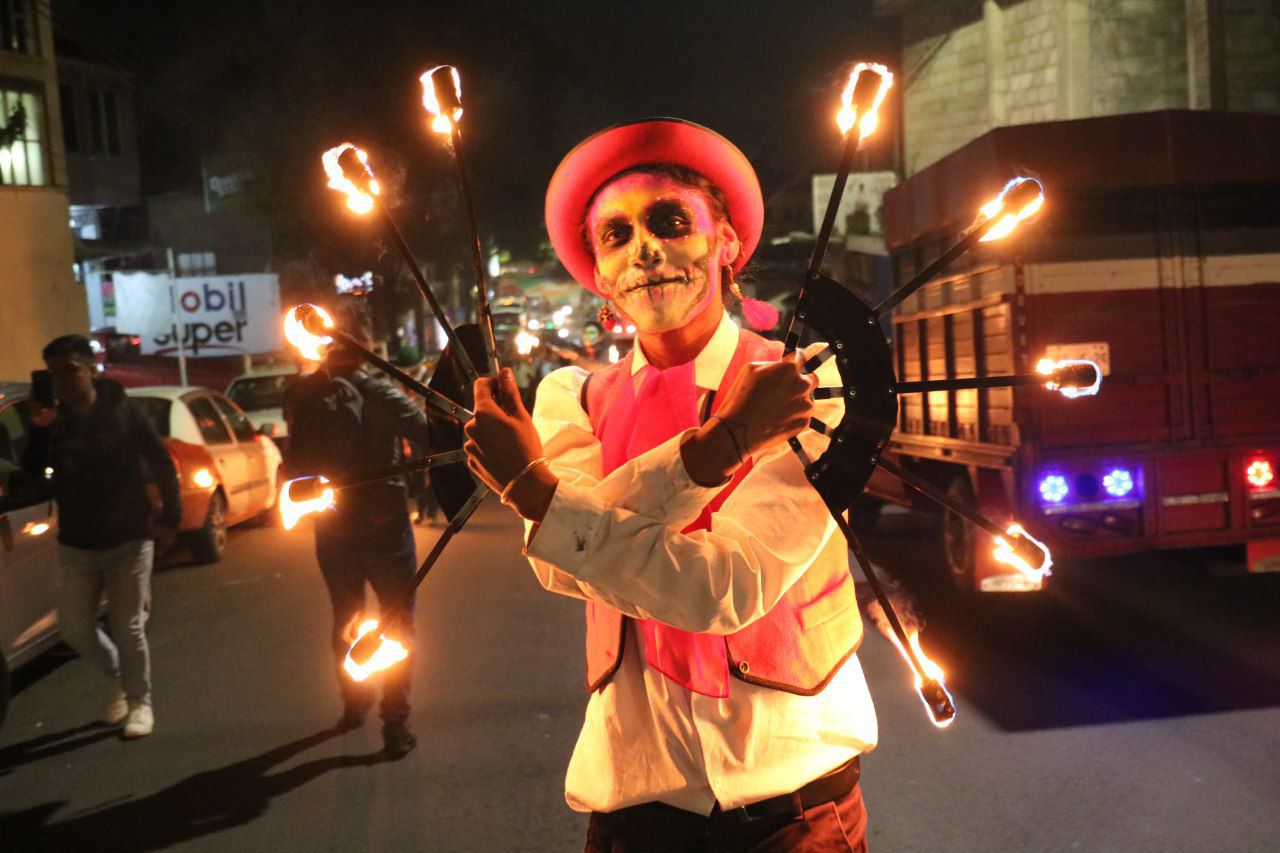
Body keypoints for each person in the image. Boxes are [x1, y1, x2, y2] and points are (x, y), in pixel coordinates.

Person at [463, 119, 875, 850]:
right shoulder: (571, 396)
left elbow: (724, 585)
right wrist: (718, 450)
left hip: (793, 809)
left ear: (725, 242)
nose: (644, 249)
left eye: (670, 220)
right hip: (634, 807)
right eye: (614, 236)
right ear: (598, 276)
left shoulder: (805, 382)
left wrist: (539, 495)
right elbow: (561, 566)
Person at [283, 297, 432, 757]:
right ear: (364, 341)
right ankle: (394, 721)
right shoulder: (379, 391)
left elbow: (298, 456)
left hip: (331, 524)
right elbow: (425, 431)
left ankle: (353, 702)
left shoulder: (301, 393)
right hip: (384, 523)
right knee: (395, 620)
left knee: (346, 614)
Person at [22, 334, 181, 739]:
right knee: (75, 628)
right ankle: (119, 682)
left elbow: (160, 458)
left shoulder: (123, 411)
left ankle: (141, 703)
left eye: (70, 370)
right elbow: (33, 476)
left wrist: (170, 518)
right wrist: (40, 431)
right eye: (54, 372)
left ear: (92, 369)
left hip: (129, 535)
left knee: (126, 626)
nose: (61, 380)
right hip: (77, 541)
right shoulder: (55, 422)